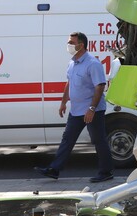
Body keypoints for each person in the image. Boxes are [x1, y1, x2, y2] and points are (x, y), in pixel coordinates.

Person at [34, 32, 114, 183]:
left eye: (71, 42)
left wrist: (91, 109)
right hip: (76, 109)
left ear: (81, 45)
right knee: (67, 139)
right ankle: (54, 169)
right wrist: (63, 102)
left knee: (98, 140)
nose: (69, 45)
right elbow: (69, 83)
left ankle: (106, 172)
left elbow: (99, 87)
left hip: (92, 110)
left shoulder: (93, 63)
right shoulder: (72, 62)